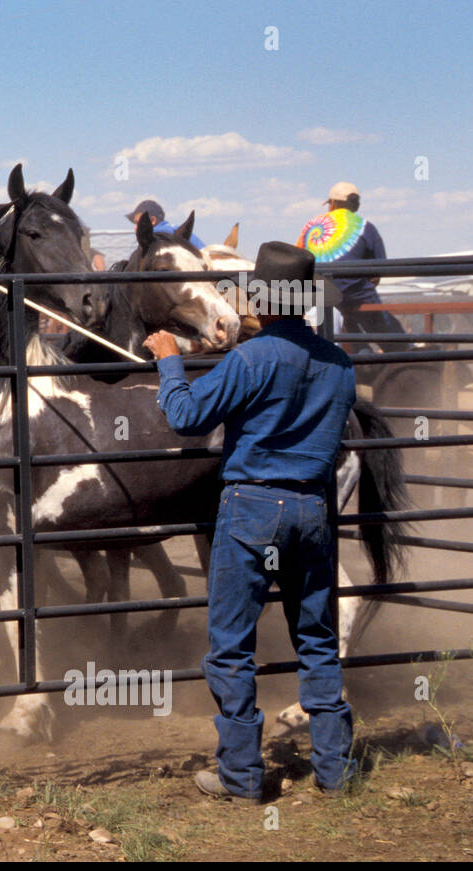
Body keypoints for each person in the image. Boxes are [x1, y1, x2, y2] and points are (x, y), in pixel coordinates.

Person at [144, 241, 359, 802]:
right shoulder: (339, 363)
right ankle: (335, 771)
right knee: (316, 637)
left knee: (232, 646)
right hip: (313, 507)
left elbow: (187, 417)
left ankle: (240, 776)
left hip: (253, 508)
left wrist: (169, 360)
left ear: (260, 303)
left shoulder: (252, 358)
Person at [296, 182, 408, 352]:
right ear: (356, 205)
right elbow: (380, 268)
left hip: (317, 295)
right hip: (356, 296)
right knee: (387, 331)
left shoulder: (311, 226)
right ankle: (403, 355)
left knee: (341, 326)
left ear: (332, 204)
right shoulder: (365, 227)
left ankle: (357, 353)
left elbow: (297, 259)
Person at [126, 199, 204, 250]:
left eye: (138, 223)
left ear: (152, 220)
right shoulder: (171, 229)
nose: (135, 228)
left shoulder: (158, 235)